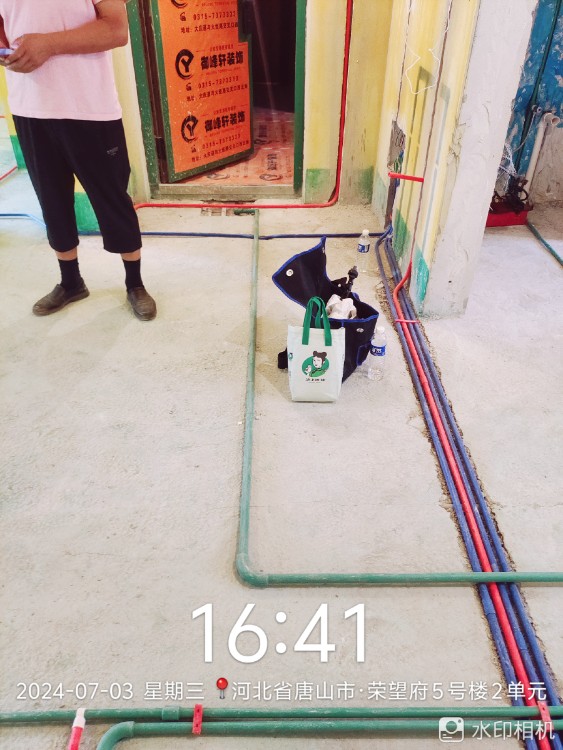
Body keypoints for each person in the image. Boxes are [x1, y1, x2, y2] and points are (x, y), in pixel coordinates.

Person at [0, 0, 156, 321]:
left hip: (90, 108)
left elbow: (116, 29)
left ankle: (135, 283)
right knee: (51, 201)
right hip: (29, 106)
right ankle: (70, 282)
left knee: (112, 199)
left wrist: (48, 44)